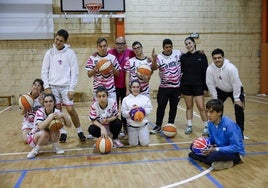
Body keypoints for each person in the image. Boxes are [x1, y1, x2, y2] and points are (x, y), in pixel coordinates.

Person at [41, 29, 86, 142]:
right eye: (56, 39)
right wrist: (46, 86)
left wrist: (72, 88)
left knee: (70, 109)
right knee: (57, 111)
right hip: (52, 86)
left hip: (66, 86)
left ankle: (79, 130)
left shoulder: (70, 53)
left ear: (65, 41)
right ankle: (62, 132)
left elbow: (74, 72)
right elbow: (44, 71)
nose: (58, 42)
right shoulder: (49, 53)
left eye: (61, 41)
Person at [188, 99, 245, 170]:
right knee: (192, 146)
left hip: (235, 152)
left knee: (214, 155)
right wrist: (203, 141)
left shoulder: (229, 125)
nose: (208, 115)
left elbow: (236, 147)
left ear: (219, 112)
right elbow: (212, 138)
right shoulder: (210, 123)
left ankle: (233, 162)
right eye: (207, 111)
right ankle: (211, 160)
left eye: (211, 112)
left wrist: (216, 149)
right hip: (219, 148)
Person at [206, 48, 245, 137]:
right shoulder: (210, 69)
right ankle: (215, 130)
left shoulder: (231, 68)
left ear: (223, 57)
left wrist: (237, 98)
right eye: (215, 58)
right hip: (221, 89)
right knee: (215, 109)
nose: (217, 60)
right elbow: (210, 84)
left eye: (219, 58)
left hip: (235, 89)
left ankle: (240, 132)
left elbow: (236, 83)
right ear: (212, 59)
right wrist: (215, 99)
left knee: (239, 109)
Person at [150, 39, 182, 134]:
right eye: (166, 47)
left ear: (172, 46)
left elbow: (189, 55)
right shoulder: (159, 57)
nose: (168, 49)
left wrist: (198, 52)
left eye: (169, 47)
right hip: (164, 87)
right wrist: (154, 59)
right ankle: (158, 125)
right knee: (161, 107)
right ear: (163, 48)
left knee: (173, 107)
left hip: (176, 87)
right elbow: (154, 68)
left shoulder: (178, 53)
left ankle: (170, 124)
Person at [26, 93, 72, 159]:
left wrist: (63, 115)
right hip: (34, 137)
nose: (48, 103)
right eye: (46, 102)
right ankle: (35, 150)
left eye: (51, 101)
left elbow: (69, 125)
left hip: (49, 138)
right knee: (45, 133)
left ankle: (56, 147)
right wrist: (50, 117)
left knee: (55, 127)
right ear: (44, 103)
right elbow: (41, 127)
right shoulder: (40, 112)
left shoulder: (57, 111)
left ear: (54, 102)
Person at [180, 37, 209, 135]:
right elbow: (181, 72)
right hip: (186, 85)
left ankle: (206, 127)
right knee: (189, 106)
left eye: (190, 43)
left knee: (201, 106)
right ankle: (189, 126)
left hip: (198, 86)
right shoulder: (183, 57)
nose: (188, 45)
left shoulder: (202, 55)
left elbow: (205, 72)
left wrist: (205, 88)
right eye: (186, 44)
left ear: (194, 43)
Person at [108, 36, 135, 136]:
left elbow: (139, 57)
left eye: (122, 43)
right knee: (114, 110)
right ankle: (114, 130)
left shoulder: (130, 52)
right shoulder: (110, 52)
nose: (120, 45)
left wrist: (149, 59)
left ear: (125, 44)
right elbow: (100, 55)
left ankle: (126, 128)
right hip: (113, 87)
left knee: (125, 110)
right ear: (115, 44)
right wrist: (94, 54)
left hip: (126, 87)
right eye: (118, 43)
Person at [121, 80, 153, 146]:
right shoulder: (125, 99)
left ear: (140, 88)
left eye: (137, 87)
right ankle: (135, 136)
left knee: (145, 144)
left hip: (143, 125)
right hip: (131, 126)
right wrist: (131, 112)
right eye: (134, 87)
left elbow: (150, 109)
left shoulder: (145, 98)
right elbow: (123, 113)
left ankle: (142, 135)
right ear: (130, 88)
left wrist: (141, 111)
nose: (136, 89)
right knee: (133, 144)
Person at [20, 79, 44, 144]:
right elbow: (21, 113)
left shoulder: (43, 98)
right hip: (28, 122)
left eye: (39, 86)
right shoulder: (25, 97)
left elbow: (47, 112)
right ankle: (33, 134)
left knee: (42, 138)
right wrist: (26, 107)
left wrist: (42, 104)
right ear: (32, 86)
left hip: (39, 122)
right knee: (26, 140)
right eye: (35, 85)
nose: (36, 87)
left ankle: (34, 134)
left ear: (41, 89)